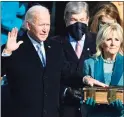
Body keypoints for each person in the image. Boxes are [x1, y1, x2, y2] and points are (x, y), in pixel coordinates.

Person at [1, 5, 107, 117]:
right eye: (41, 25)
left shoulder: (54, 47)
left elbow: (66, 71)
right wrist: (7, 52)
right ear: (28, 25)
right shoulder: (15, 47)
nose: (45, 29)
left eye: (47, 24)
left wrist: (84, 78)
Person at [51, 2, 97, 117]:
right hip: (64, 108)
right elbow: (51, 76)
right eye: (73, 19)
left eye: (82, 19)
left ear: (87, 20)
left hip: (93, 107)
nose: (78, 24)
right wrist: (65, 91)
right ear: (66, 20)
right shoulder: (54, 43)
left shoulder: (98, 42)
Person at [81, 23, 124, 117]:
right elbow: (84, 95)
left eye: (117, 39)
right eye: (109, 39)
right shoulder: (89, 63)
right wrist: (87, 106)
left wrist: (122, 110)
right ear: (101, 42)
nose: (113, 43)